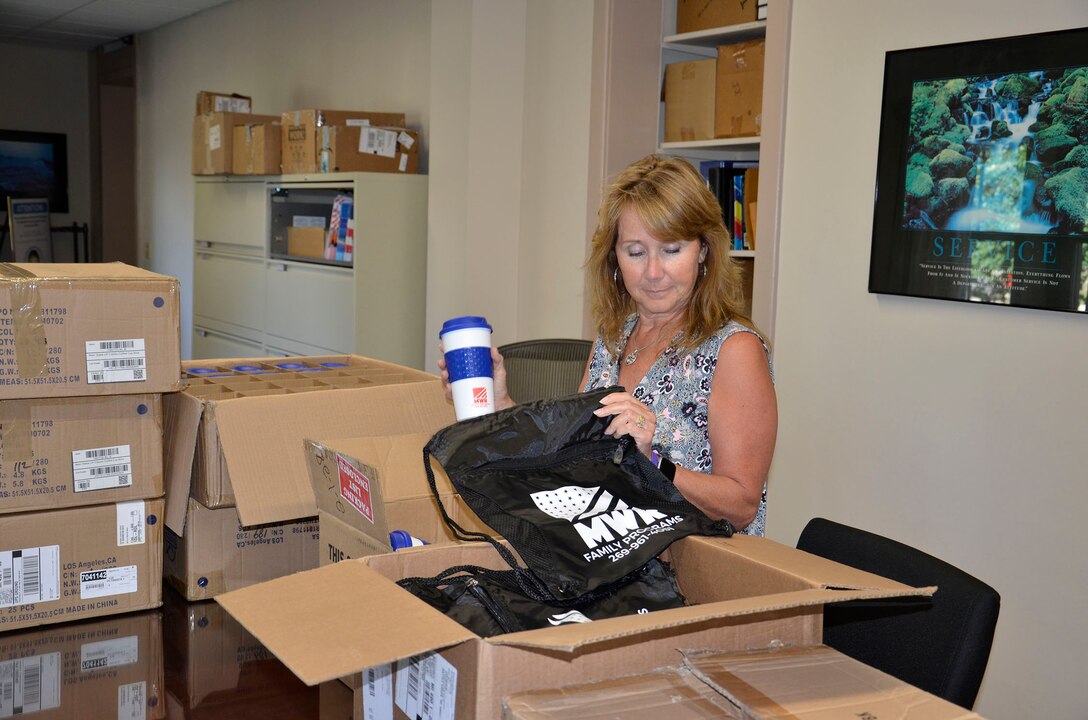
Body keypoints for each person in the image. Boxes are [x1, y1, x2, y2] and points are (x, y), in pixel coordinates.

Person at [439, 154, 777, 535]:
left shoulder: (734, 349)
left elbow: (741, 505)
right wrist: (501, 405)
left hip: (699, 572)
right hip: (612, 562)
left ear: (703, 251)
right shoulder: (614, 338)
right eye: (635, 252)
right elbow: (572, 458)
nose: (652, 272)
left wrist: (651, 462)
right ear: (614, 258)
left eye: (671, 249)